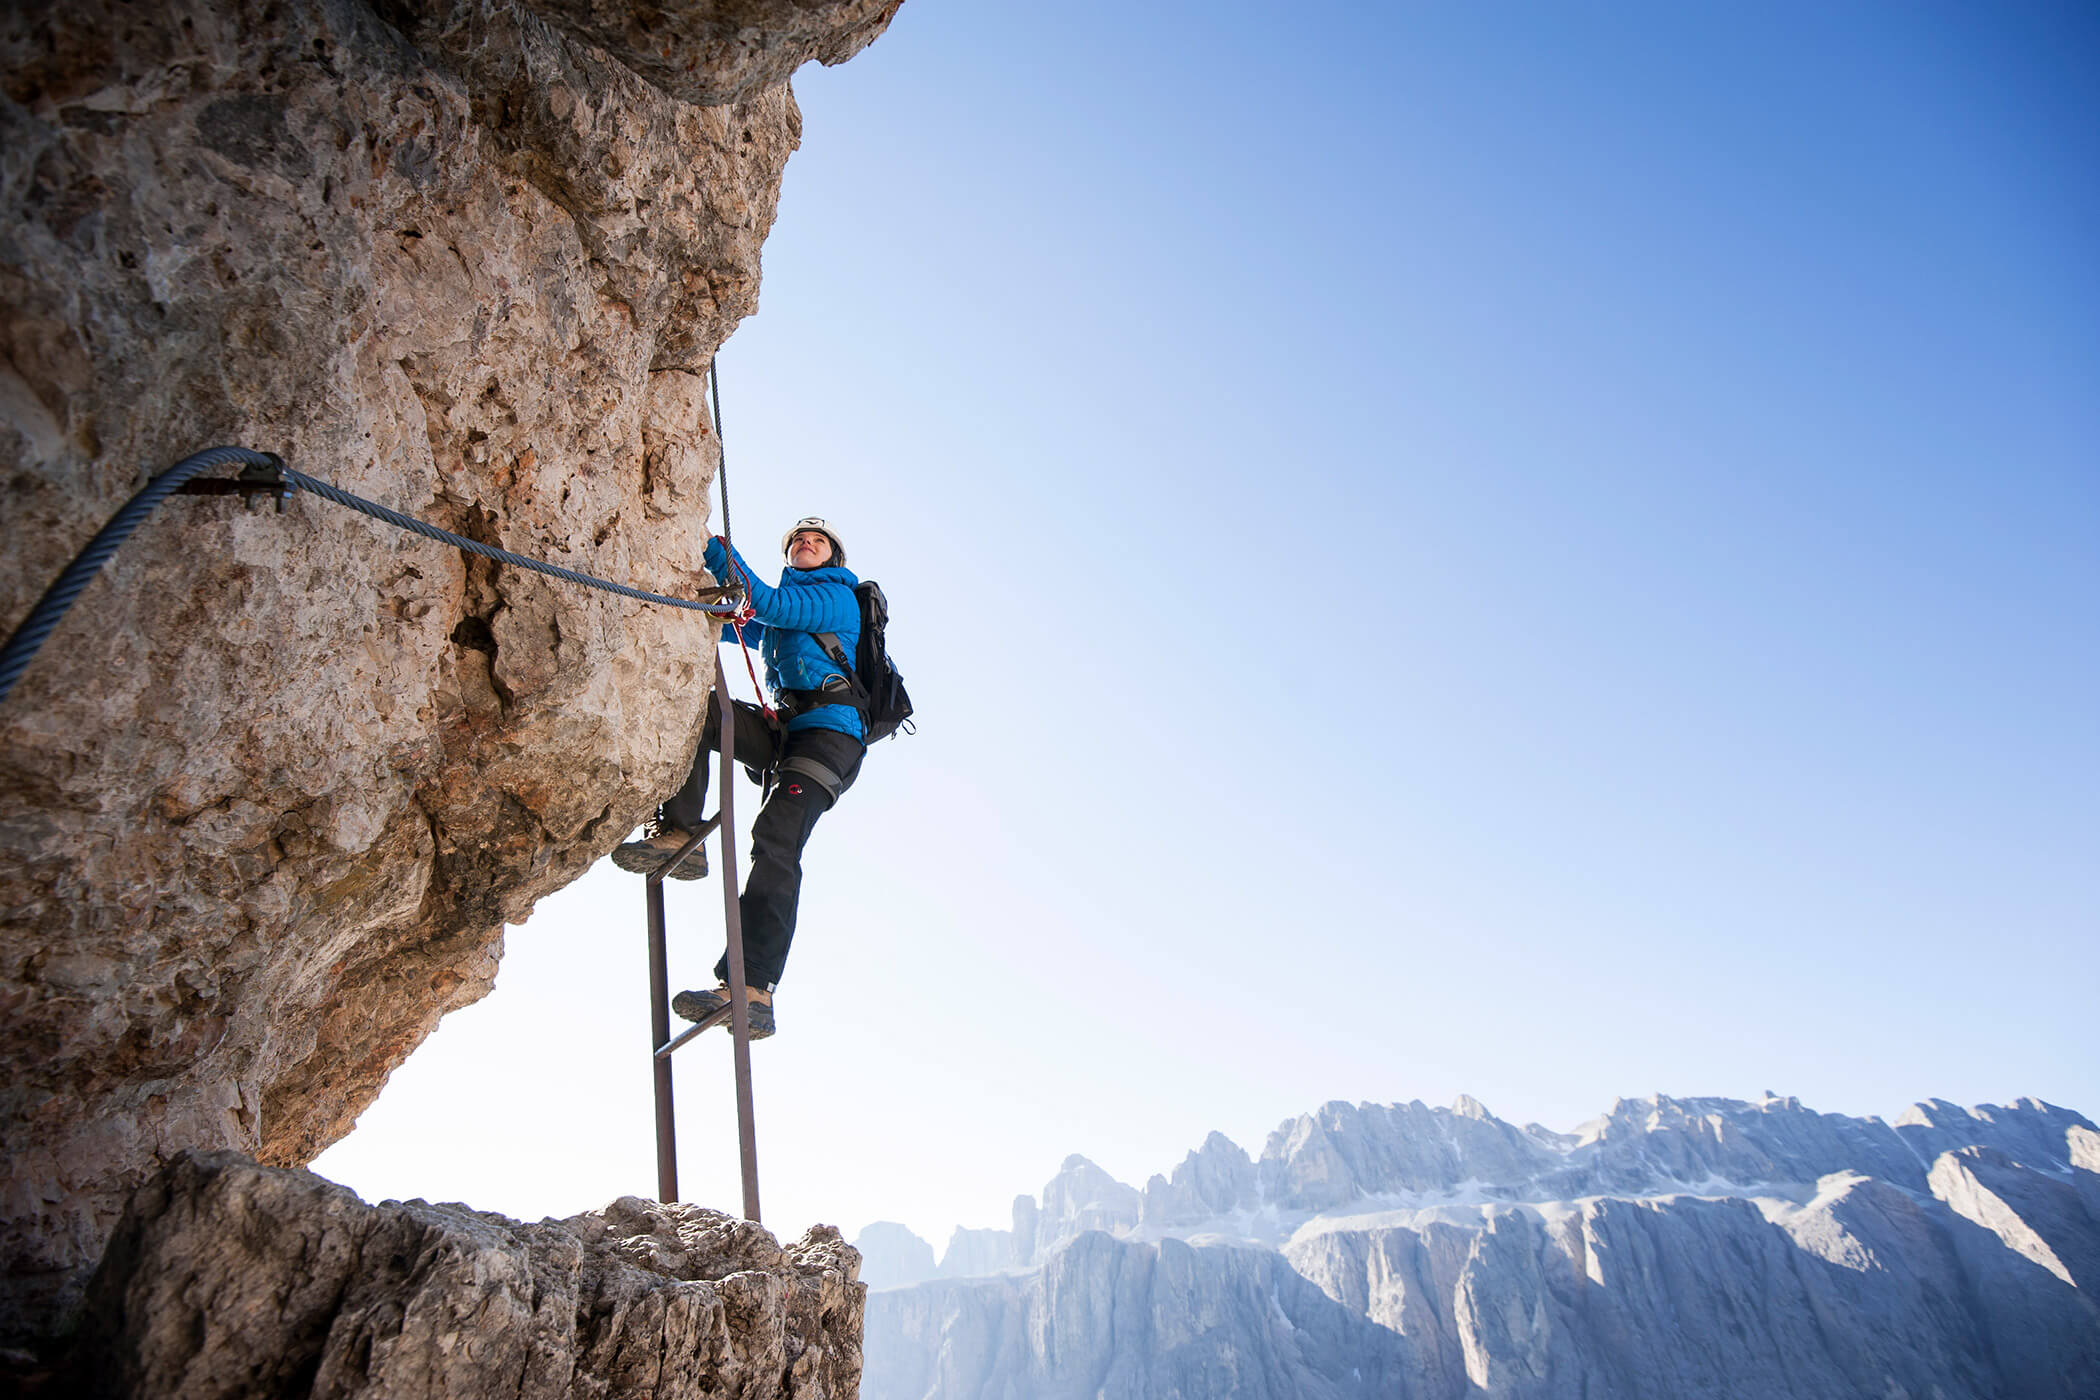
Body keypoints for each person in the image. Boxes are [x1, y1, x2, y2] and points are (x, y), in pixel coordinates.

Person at [612, 517, 866, 1039]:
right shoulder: (789, 609)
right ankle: (683, 831)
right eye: (799, 539)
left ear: (833, 557)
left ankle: (753, 988)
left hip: (828, 738)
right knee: (700, 711)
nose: (805, 543)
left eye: (817, 541)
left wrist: (713, 549)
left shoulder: (838, 597)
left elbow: (767, 604)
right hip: (787, 730)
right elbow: (741, 621)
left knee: (776, 843)